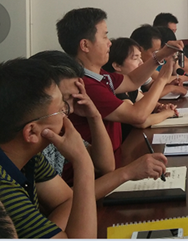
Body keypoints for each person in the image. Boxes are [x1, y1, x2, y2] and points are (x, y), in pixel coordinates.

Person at [0, 58, 96, 239]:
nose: (67, 114)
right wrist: (83, 163)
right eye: (61, 109)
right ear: (32, 132)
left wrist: (56, 235)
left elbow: (67, 199)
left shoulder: (24, 151)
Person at [30, 50, 169, 199]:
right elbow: (66, 202)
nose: (69, 110)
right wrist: (127, 173)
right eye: (64, 100)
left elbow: (106, 166)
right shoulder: (36, 144)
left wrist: (94, 116)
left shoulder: (60, 128)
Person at [56, 7, 181, 167]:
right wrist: (162, 78)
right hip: (97, 171)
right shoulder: (85, 84)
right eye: (104, 36)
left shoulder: (98, 74)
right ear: (85, 45)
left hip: (115, 159)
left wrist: (161, 55)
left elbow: (132, 80)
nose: (109, 42)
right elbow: (137, 116)